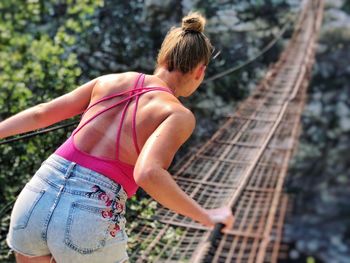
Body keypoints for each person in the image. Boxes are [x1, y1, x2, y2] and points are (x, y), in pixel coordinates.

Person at [0, 12, 234, 263]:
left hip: (37, 196)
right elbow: (148, 174)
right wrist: (206, 216)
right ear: (200, 71)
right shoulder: (177, 114)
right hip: (88, 215)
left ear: (162, 57)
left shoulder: (110, 80)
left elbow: (40, 113)